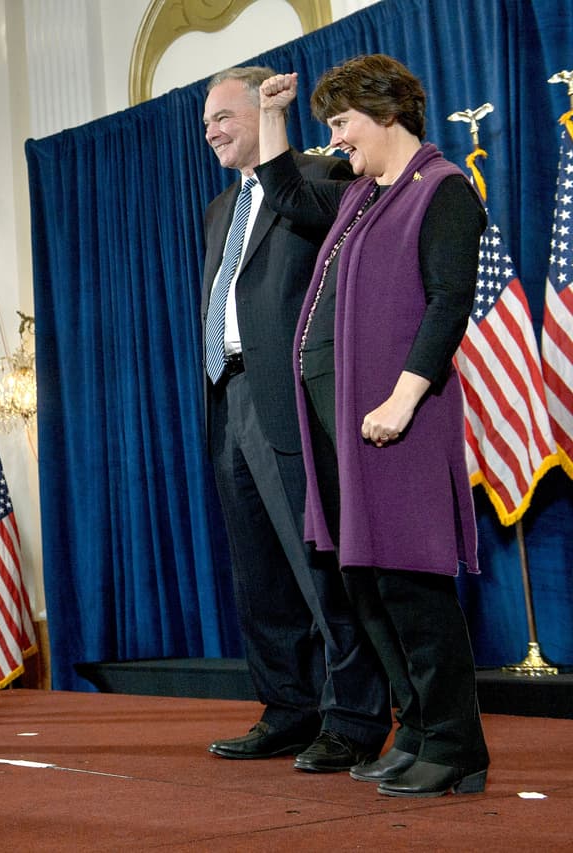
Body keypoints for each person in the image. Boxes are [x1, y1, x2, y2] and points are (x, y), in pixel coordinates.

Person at [256, 55, 489, 797]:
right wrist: (271, 116)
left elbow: (449, 303)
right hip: (339, 423)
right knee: (365, 582)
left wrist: (403, 397)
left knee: (412, 583)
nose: (336, 137)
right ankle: (416, 728)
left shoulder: (442, 189)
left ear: (385, 113)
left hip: (398, 418)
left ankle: (457, 745)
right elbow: (286, 190)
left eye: (342, 121)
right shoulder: (359, 194)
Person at [200, 67, 390, 773]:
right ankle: (287, 707)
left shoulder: (320, 174)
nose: (212, 131)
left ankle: (355, 717)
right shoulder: (219, 209)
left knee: (321, 568)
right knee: (260, 574)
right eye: (207, 122)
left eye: (223, 116)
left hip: (294, 401)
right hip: (230, 399)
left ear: (264, 109)